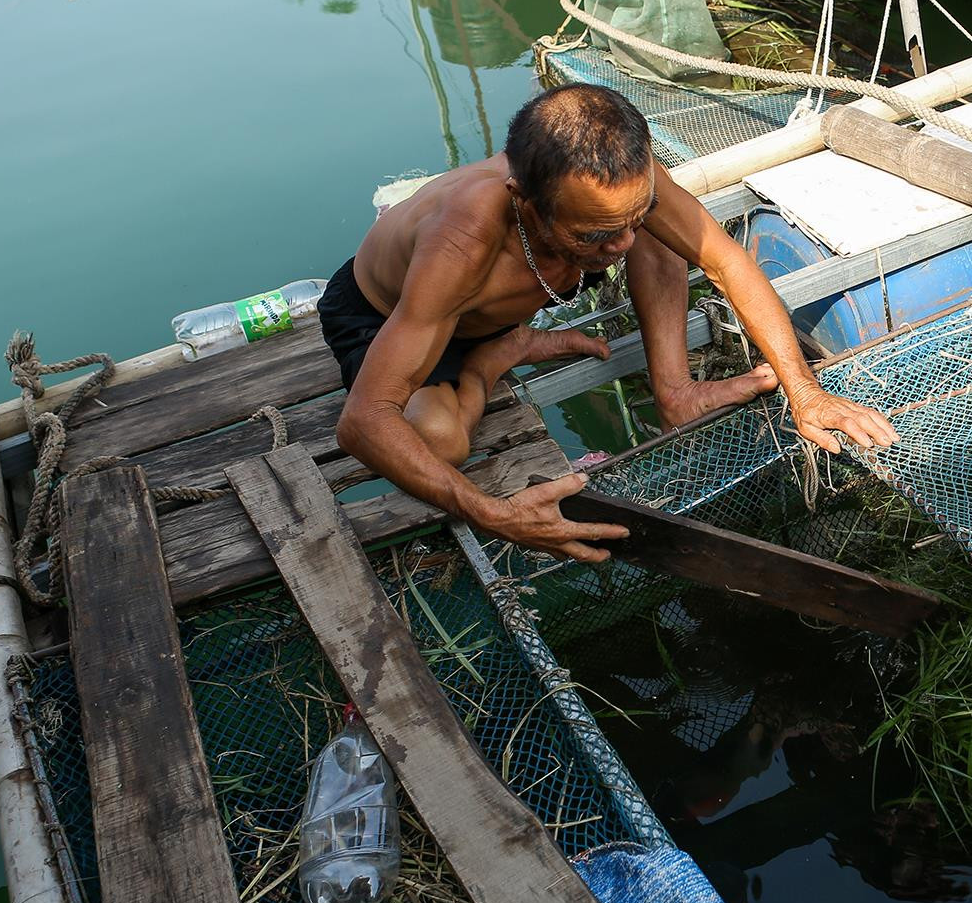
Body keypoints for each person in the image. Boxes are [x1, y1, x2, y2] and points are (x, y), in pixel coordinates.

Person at [324, 83, 898, 563]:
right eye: (593, 235)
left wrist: (805, 390)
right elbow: (364, 420)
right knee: (441, 442)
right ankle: (490, 361)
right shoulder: (463, 240)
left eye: (632, 216)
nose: (619, 245)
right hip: (389, 314)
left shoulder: (624, 181)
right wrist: (494, 514)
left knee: (665, 233)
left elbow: (725, 262)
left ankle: (674, 390)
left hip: (498, 299)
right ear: (524, 201)